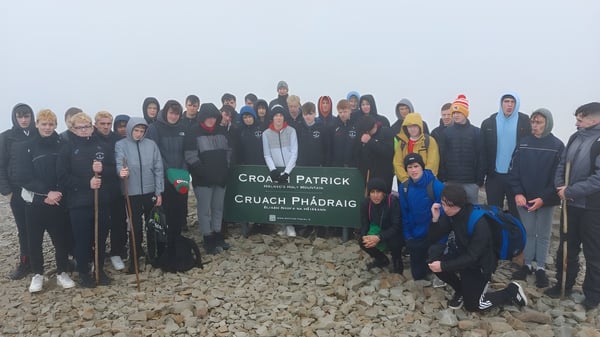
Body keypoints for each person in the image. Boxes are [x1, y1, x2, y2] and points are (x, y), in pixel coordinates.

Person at [428, 183, 529, 311]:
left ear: (460, 204)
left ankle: (511, 292)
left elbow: (473, 256)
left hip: (480, 265)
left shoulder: (478, 223)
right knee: (433, 258)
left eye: (449, 205)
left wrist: (443, 266)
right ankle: (460, 290)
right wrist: (435, 219)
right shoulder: (451, 215)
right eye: (443, 203)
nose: (445, 208)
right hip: (463, 255)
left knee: (474, 305)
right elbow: (434, 238)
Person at [545, 102, 600, 311]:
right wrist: (560, 186)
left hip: (592, 208)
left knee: (594, 252)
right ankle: (563, 284)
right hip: (570, 205)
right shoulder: (575, 138)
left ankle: (593, 294)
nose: (576, 123)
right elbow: (562, 164)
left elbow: (598, 178)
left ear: (594, 120)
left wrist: (571, 190)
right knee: (567, 247)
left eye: (580, 119)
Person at [15, 109, 75, 292]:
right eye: (44, 124)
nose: (47, 128)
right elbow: (23, 176)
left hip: (58, 200)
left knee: (61, 240)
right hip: (35, 203)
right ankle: (37, 275)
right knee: (34, 241)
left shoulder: (62, 145)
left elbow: (68, 172)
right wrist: (46, 193)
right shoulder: (27, 146)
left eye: (51, 124)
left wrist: (57, 193)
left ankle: (62, 272)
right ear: (37, 124)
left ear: (56, 125)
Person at [508, 108, 564, 288]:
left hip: (546, 200)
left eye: (539, 122)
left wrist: (544, 198)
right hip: (524, 198)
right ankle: (527, 265)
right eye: (533, 122)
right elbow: (513, 170)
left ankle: (540, 268)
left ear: (548, 123)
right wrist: (518, 193)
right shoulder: (523, 144)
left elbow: (559, 177)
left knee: (544, 235)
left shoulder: (557, 145)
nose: (535, 125)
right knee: (529, 232)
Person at [57, 112, 112, 288]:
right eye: (80, 127)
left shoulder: (100, 145)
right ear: (73, 129)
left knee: (101, 237)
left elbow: (112, 171)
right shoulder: (67, 148)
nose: (84, 130)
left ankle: (99, 268)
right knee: (82, 239)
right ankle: (83, 272)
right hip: (79, 203)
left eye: (87, 126)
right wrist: (86, 183)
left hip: (101, 200)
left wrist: (102, 170)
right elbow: (62, 177)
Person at [115, 117, 164, 271]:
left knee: (151, 225)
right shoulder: (121, 145)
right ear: (130, 130)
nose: (139, 133)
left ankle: (153, 255)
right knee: (135, 227)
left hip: (150, 191)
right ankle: (135, 259)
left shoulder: (151, 145)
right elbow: (119, 163)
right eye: (136, 130)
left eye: (142, 131)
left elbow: (158, 168)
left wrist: (159, 192)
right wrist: (121, 172)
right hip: (132, 193)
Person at [146, 100, 189, 270]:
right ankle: (163, 249)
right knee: (165, 214)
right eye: (171, 113)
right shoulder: (155, 128)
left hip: (181, 177)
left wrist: (183, 171)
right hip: (162, 178)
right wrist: (169, 171)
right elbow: (154, 151)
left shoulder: (183, 128)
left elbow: (187, 150)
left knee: (179, 212)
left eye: (177, 113)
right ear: (165, 113)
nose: (174, 116)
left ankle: (176, 244)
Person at [185, 103, 232, 253]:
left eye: (213, 117)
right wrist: (204, 173)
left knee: (218, 208)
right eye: (208, 117)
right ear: (202, 118)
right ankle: (208, 238)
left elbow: (229, 153)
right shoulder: (193, 132)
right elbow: (190, 156)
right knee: (204, 210)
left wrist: (225, 171)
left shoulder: (223, 131)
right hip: (202, 180)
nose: (211, 120)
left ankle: (218, 235)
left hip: (221, 177)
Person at [0, 103, 37, 280]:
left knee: (49, 226)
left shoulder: (39, 133)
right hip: (17, 191)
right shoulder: (6, 137)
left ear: (31, 117)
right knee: (24, 229)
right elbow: (1, 165)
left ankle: (62, 261)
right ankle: (25, 262)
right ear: (15, 117)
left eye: (27, 116)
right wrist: (6, 191)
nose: (23, 120)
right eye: (20, 116)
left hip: (40, 190)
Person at [480, 92, 531, 218]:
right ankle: (497, 237)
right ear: (501, 103)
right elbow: (483, 151)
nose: (509, 105)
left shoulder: (525, 122)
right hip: (494, 176)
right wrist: (480, 177)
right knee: (494, 212)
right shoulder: (489, 123)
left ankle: (517, 237)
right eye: (506, 101)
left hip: (516, 177)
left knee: (517, 213)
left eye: (512, 102)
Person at [399, 153, 444, 281]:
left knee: (434, 269)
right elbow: (405, 213)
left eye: (416, 166)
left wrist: (441, 242)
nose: (413, 170)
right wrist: (408, 237)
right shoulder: (404, 188)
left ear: (422, 167)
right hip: (416, 236)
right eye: (410, 167)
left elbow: (446, 217)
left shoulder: (436, 185)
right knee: (418, 275)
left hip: (433, 235)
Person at [93, 111, 127, 271]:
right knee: (100, 224)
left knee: (119, 222)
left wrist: (107, 170)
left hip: (116, 187)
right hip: (98, 189)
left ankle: (116, 252)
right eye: (102, 124)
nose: (106, 127)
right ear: (96, 124)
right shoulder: (91, 139)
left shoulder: (118, 140)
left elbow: (122, 163)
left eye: (108, 123)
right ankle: (97, 255)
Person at [262, 105, 298, 237]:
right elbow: (267, 155)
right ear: (272, 117)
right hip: (276, 169)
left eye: (281, 115)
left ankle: (291, 225)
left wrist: (287, 171)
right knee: (279, 199)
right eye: (276, 115)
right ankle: (283, 225)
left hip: (289, 169)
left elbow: (294, 152)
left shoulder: (291, 131)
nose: (278, 118)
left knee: (291, 199)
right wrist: (273, 170)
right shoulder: (266, 134)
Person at [438, 95, 482, 204]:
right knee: (451, 212)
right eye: (454, 113)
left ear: (465, 113)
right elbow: (441, 156)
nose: (456, 115)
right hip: (450, 181)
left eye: (459, 112)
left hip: (471, 182)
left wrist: (479, 181)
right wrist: (443, 178)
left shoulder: (476, 132)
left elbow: (481, 156)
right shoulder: (446, 133)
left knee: (471, 214)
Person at [359, 178, 404, 274]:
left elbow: (397, 226)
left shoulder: (392, 202)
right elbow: (364, 224)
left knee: (394, 242)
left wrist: (379, 237)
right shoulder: (365, 204)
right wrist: (365, 237)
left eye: (378, 192)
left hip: (393, 231)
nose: (375, 196)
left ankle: (397, 261)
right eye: (372, 192)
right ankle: (381, 259)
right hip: (377, 228)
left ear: (383, 193)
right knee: (362, 241)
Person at [393, 112, 439, 184]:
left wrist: (422, 178)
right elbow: (397, 163)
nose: (412, 129)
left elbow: (433, 162)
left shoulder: (429, 141)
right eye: (409, 126)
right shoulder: (402, 143)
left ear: (420, 126)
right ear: (406, 128)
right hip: (408, 183)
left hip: (427, 182)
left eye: (415, 126)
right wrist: (405, 179)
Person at [354, 115, 395, 193]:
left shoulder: (386, 132)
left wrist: (370, 142)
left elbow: (388, 152)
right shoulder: (362, 134)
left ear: (375, 125)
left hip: (384, 174)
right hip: (368, 174)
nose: (368, 133)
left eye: (370, 131)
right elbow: (357, 153)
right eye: (366, 131)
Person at [297, 102, 330, 167]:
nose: (308, 116)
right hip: (302, 166)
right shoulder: (299, 128)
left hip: (318, 166)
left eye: (310, 114)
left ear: (315, 114)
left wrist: (325, 164)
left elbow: (327, 148)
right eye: (305, 114)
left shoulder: (322, 128)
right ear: (302, 115)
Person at [330, 99, 357, 168]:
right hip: (336, 165)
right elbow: (330, 146)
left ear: (350, 111)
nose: (342, 114)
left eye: (345, 112)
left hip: (353, 165)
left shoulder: (356, 125)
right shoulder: (333, 125)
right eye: (340, 112)